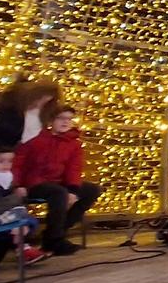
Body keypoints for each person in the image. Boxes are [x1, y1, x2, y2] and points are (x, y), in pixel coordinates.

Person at [12, 107, 101, 255]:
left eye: (69, 119)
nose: (66, 122)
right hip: (36, 183)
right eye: (61, 118)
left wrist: (73, 190)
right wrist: (17, 185)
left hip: (59, 182)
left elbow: (74, 168)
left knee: (91, 190)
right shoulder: (36, 141)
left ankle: (55, 233)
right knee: (58, 192)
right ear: (51, 121)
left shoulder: (73, 144)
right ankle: (55, 239)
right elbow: (18, 164)